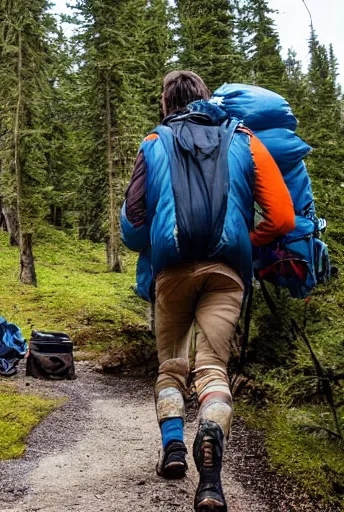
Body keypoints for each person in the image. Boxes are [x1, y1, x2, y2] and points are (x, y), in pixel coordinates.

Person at [120, 70, 295, 512]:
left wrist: (159, 235)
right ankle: (211, 477)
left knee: (171, 364)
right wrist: (242, 244)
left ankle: (174, 448)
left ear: (165, 104)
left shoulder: (154, 142)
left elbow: (132, 227)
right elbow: (281, 219)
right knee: (212, 368)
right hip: (227, 272)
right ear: (210, 100)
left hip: (173, 271)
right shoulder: (245, 139)